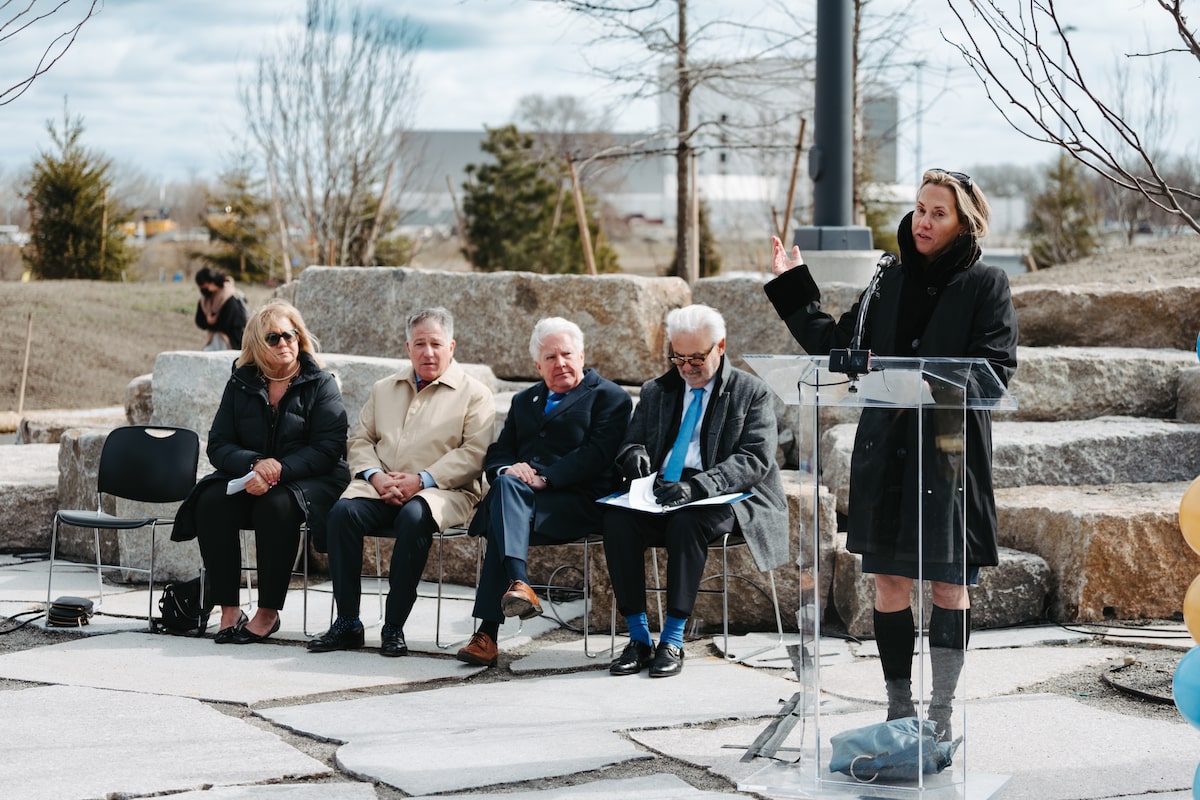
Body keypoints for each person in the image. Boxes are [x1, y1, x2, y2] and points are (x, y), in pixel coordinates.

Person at [765, 168, 1019, 737]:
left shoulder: (987, 284)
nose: (923, 221)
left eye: (938, 213)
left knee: (950, 586)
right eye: (920, 208)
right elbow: (837, 348)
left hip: (949, 456)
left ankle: (943, 713)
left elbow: (996, 373)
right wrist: (793, 285)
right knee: (888, 586)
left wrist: (932, 384)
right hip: (887, 451)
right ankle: (900, 707)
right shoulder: (888, 278)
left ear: (964, 223)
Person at [602, 304, 789, 678]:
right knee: (616, 518)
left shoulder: (752, 392)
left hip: (727, 494)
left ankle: (672, 639)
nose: (687, 368)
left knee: (687, 522)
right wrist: (634, 455)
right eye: (678, 357)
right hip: (665, 488)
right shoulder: (657, 390)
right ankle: (639, 639)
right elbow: (630, 441)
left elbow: (754, 460)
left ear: (720, 346)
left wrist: (698, 486)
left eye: (697, 358)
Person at [307, 308, 494, 657]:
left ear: (451, 346)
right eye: (419, 344)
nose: (428, 352)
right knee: (341, 515)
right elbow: (361, 440)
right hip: (381, 486)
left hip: (442, 491)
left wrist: (422, 480)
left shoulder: (475, 393)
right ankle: (348, 622)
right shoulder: (384, 389)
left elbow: (474, 453)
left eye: (436, 343)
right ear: (408, 347)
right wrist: (375, 476)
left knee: (413, 518)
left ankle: (394, 625)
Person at [455, 317, 632, 667]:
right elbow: (499, 453)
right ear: (538, 365)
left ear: (581, 355)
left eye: (566, 354)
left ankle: (488, 633)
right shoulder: (525, 401)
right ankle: (517, 587)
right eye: (550, 358)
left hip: (579, 503)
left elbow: (597, 455)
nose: (560, 363)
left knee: (502, 518)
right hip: (522, 502)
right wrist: (510, 469)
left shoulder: (610, 397)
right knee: (506, 487)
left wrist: (546, 478)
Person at [172, 299, 350, 644]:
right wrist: (254, 464)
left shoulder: (321, 383)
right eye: (274, 338)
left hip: (311, 479)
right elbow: (219, 445)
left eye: (290, 334)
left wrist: (276, 470)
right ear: (256, 343)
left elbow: (328, 449)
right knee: (210, 499)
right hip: (254, 475)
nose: (284, 343)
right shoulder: (240, 384)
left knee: (277, 505)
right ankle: (229, 609)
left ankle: (268, 612)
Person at [194, 266, 250, 351]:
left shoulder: (230, 298)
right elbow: (199, 320)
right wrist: (208, 321)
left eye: (204, 287)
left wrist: (210, 323)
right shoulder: (205, 300)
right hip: (216, 338)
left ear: (212, 282)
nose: (202, 290)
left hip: (233, 340)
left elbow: (226, 324)